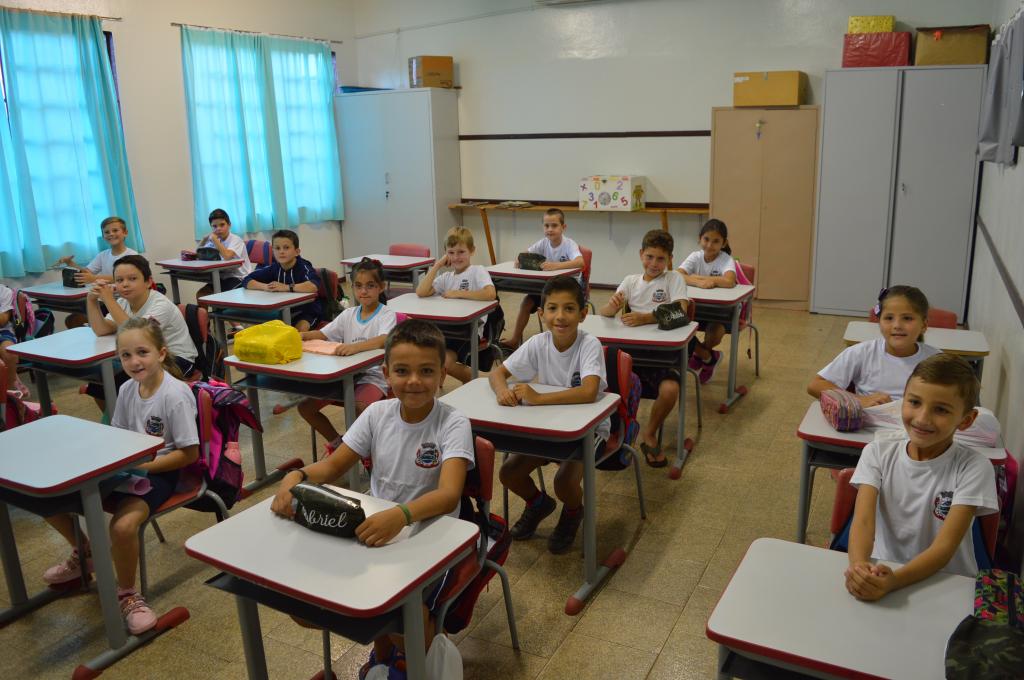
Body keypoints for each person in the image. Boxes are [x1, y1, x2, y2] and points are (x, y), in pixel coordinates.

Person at [270, 319, 473, 677]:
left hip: (435, 534)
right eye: (402, 371)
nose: (414, 381)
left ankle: (414, 662)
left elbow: (448, 495)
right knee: (303, 605)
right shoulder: (378, 414)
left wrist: (401, 515)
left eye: (426, 371)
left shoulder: (453, 422)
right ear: (386, 373)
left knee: (405, 614)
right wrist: (295, 476)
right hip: (379, 528)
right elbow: (332, 466)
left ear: (443, 375)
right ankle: (385, 652)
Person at [40, 317, 200, 634]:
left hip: (160, 472)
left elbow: (189, 454)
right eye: (126, 355)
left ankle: (128, 595)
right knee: (47, 495)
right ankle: (84, 552)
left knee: (123, 526)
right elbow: (117, 436)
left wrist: (142, 467)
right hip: (125, 467)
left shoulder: (175, 394)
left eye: (142, 352)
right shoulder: (127, 389)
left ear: (161, 353)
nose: (134, 361)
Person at [845, 353, 998, 601]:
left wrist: (895, 581)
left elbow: (944, 548)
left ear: (966, 420)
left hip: (947, 584)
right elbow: (862, 523)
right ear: (902, 400)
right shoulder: (877, 452)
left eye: (941, 410)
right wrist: (859, 568)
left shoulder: (974, 467)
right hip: (883, 571)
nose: (922, 418)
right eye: (914, 402)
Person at [493, 275, 608, 553]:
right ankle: (538, 503)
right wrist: (502, 391)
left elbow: (589, 392)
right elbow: (498, 374)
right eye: (553, 308)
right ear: (541, 314)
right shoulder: (538, 342)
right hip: (549, 425)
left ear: (583, 314)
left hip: (588, 428)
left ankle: (573, 512)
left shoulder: (589, 344)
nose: (560, 316)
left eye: (569, 309)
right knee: (509, 473)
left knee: (564, 482)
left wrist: (539, 398)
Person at [598, 229, 688, 467]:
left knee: (670, 389)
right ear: (641, 254)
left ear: (670, 259)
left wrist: (646, 318)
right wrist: (612, 306)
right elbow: (605, 314)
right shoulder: (630, 281)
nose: (654, 263)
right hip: (630, 354)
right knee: (605, 381)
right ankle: (618, 430)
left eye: (660, 258)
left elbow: (682, 311)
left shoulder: (673, 279)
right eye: (649, 257)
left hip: (660, 356)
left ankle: (649, 433)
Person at [295, 257, 396, 442]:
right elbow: (323, 334)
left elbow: (384, 339)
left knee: (358, 407)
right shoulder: (348, 314)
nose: (363, 291)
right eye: (358, 286)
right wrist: (301, 336)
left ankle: (367, 451)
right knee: (305, 408)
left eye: (370, 286)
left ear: (381, 287)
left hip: (372, 377)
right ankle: (337, 444)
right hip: (344, 378)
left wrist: (354, 347)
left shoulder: (386, 314)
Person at [84, 255, 197, 410]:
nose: (125, 284)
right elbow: (101, 330)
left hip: (176, 358)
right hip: (144, 355)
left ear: (148, 282)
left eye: (132, 279)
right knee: (100, 383)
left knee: (124, 381)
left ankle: (136, 420)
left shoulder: (160, 304)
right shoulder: (123, 302)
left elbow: (136, 335)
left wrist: (108, 300)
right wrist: (91, 300)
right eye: (119, 280)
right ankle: (117, 420)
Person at [808, 285, 940, 406]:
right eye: (889, 318)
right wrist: (859, 400)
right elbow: (816, 385)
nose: (897, 325)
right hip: (868, 423)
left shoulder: (936, 360)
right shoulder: (862, 353)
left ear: (924, 325)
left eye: (907, 318)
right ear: (879, 322)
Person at [415, 226, 497, 383]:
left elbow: (490, 293)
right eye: (451, 253)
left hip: (468, 330)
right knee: (424, 355)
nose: (456, 257)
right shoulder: (446, 277)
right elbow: (421, 291)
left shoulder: (477, 271)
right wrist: (437, 265)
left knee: (445, 362)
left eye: (461, 252)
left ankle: (483, 382)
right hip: (446, 330)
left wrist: (458, 293)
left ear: (472, 251)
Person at [501, 208, 585, 349]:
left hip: (567, 290)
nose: (550, 229)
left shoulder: (569, 244)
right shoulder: (543, 243)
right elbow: (525, 253)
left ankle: (557, 343)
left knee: (554, 309)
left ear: (563, 227)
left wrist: (555, 266)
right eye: (546, 226)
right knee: (526, 303)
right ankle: (515, 340)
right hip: (546, 288)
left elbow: (580, 262)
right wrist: (519, 259)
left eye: (554, 225)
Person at [678, 218, 736, 383]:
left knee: (716, 331)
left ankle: (700, 354)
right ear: (700, 239)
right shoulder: (695, 256)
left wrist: (698, 277)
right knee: (679, 325)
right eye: (706, 239)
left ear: (724, 243)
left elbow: (729, 281)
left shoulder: (726, 259)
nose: (710, 245)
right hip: (696, 309)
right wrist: (698, 282)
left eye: (716, 241)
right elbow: (678, 275)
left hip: (719, 312)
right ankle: (708, 357)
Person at [55, 216, 138, 328]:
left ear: (125, 233)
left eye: (115, 230)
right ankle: (91, 325)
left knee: (87, 310)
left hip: (125, 299)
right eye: (106, 232)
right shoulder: (103, 255)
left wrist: (94, 279)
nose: (111, 234)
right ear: (103, 236)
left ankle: (94, 325)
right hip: (104, 297)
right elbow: (87, 272)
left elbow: (123, 278)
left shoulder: (132, 255)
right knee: (80, 308)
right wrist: (70, 263)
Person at [241, 229, 321, 332]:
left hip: (307, 311)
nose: (281, 252)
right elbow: (246, 280)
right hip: (284, 312)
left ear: (297, 252)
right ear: (273, 251)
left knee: (299, 331)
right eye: (277, 248)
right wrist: (266, 287)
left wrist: (286, 287)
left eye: (286, 248)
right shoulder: (274, 268)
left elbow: (313, 286)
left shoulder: (304, 267)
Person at [195, 208, 254, 298]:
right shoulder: (214, 240)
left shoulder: (236, 240)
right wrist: (203, 240)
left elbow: (227, 256)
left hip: (239, 278)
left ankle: (218, 307)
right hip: (221, 277)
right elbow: (197, 254)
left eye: (222, 225)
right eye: (214, 226)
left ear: (229, 225)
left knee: (218, 297)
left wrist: (215, 240)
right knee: (201, 295)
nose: (218, 229)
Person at [0, 283, 27, 397]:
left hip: (3, 331)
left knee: (9, 353)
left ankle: (10, 392)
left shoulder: (4, 292)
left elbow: (3, 320)